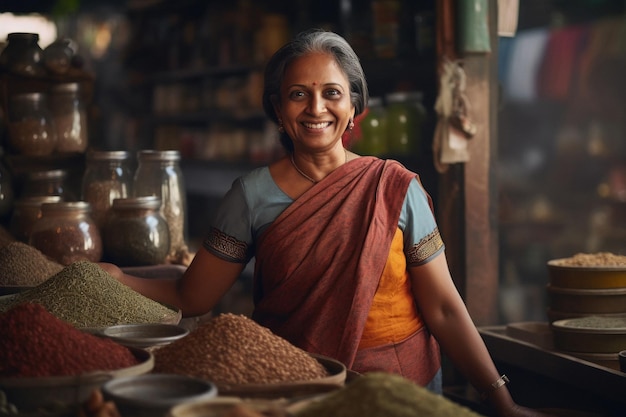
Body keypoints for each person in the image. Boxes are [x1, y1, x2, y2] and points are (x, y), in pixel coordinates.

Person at [100, 29, 553, 417]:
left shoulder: (394, 187)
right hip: (300, 390)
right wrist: (118, 279)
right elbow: (192, 296)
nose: (316, 108)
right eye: (298, 94)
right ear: (279, 110)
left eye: (332, 93)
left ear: (354, 106)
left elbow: (445, 308)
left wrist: (502, 402)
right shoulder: (251, 195)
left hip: (402, 392)